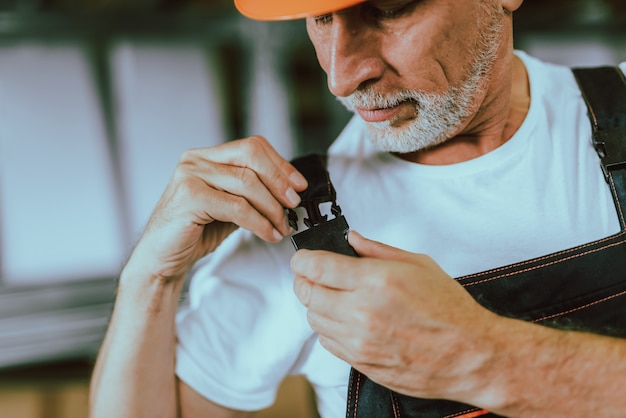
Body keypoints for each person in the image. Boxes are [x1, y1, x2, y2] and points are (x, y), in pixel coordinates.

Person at [89, 0, 626, 417]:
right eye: (321, 18)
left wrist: (482, 357)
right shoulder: (295, 222)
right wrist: (151, 276)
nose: (342, 78)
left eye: (389, 9)